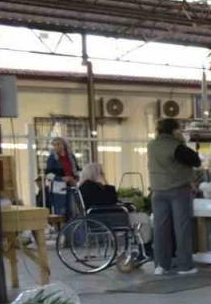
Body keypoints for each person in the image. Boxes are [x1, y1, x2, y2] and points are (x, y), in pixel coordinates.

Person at [146, 118, 201, 276]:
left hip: (157, 191)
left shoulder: (151, 145)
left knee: (160, 228)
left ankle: (160, 265)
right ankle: (185, 266)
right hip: (177, 190)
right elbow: (195, 161)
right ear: (174, 130)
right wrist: (182, 141)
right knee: (181, 228)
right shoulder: (176, 146)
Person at [78, 163, 153, 247]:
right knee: (144, 217)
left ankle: (141, 245)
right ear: (95, 173)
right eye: (101, 173)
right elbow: (110, 200)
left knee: (140, 217)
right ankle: (145, 247)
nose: (103, 174)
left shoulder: (86, 186)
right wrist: (105, 183)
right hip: (107, 218)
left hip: (102, 216)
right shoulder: (90, 187)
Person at [44, 137, 80, 217]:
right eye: (54, 145)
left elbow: (76, 169)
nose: (56, 146)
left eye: (58, 144)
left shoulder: (71, 157)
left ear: (64, 145)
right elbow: (48, 174)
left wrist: (76, 178)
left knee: (73, 209)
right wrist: (61, 179)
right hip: (58, 188)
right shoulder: (52, 158)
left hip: (71, 185)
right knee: (60, 211)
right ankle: (62, 228)